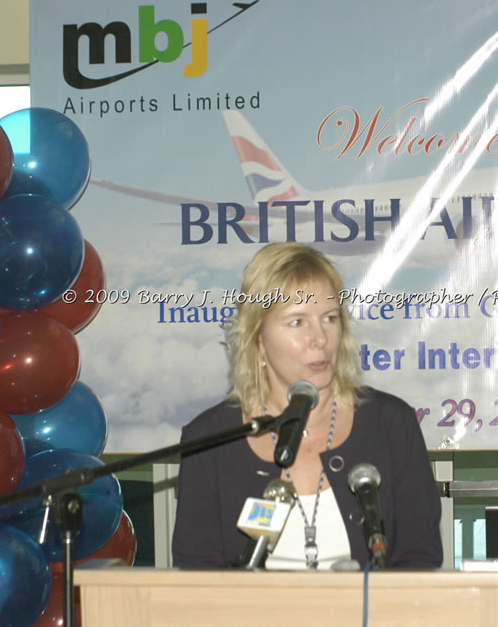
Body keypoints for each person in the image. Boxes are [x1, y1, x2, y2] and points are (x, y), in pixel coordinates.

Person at [171, 242, 442, 570]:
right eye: (297, 322)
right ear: (258, 340)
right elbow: (196, 578)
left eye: (329, 318)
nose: (321, 338)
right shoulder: (210, 440)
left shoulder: (391, 425)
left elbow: (420, 559)